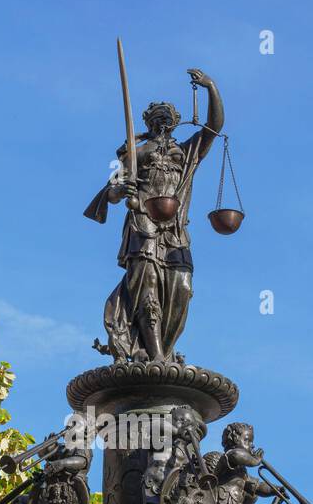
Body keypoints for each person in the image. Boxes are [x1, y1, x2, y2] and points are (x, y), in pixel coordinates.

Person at [85, 70, 224, 362]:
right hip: (142, 224)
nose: (162, 124)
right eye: (156, 120)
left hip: (174, 230)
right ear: (149, 124)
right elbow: (111, 192)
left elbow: (214, 127)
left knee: (182, 289)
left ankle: (165, 348)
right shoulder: (135, 154)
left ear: (174, 124)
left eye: (167, 119)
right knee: (147, 291)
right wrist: (121, 189)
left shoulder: (186, 153)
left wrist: (210, 87)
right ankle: (157, 356)